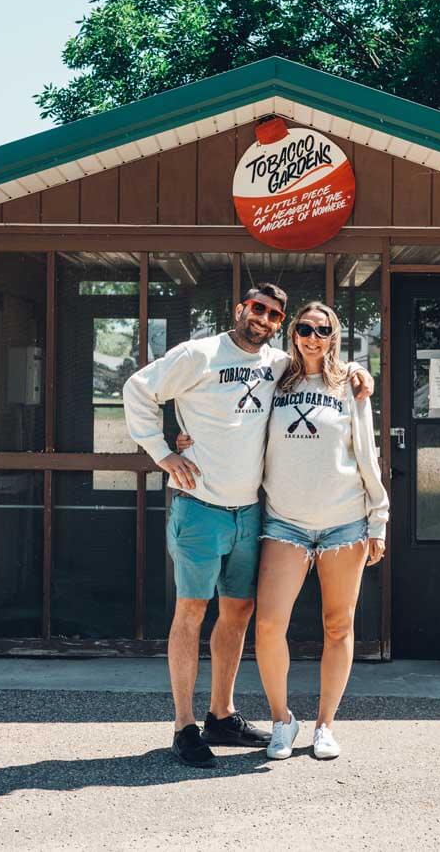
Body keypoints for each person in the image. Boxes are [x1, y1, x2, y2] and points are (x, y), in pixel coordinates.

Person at [122, 284, 373, 769]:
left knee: (237, 615)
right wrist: (164, 452)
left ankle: (222, 714)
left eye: (275, 315)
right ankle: (184, 726)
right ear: (239, 308)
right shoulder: (198, 353)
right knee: (191, 613)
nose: (264, 318)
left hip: (251, 512)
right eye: (257, 308)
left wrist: (360, 372)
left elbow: (330, 368)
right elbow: (138, 389)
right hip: (200, 506)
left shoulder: (278, 366)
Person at [179, 300, 388, 762]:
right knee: (270, 625)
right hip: (284, 522)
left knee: (339, 625)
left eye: (323, 329)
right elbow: (227, 409)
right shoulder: (275, 377)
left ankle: (326, 725)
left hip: (344, 521)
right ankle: (281, 720)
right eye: (305, 328)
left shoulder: (351, 385)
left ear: (335, 335)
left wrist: (379, 518)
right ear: (291, 333)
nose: (313, 336)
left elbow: (368, 454)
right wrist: (184, 438)